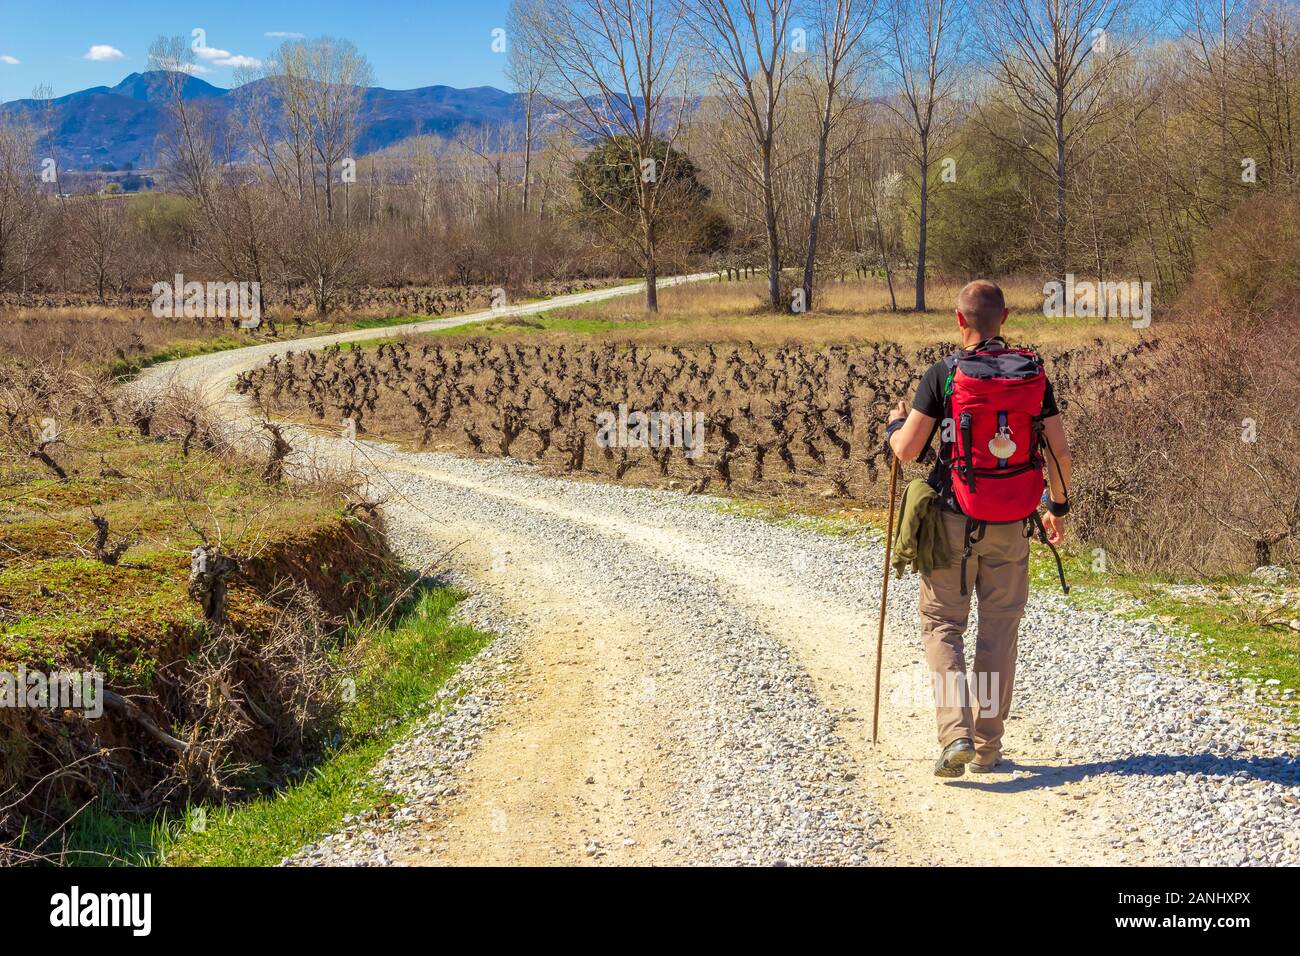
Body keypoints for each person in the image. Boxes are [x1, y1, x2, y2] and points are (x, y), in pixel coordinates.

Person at [885, 280, 1072, 777]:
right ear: (1004, 318)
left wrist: (892, 426)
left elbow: (907, 450)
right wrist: (1057, 505)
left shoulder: (943, 375)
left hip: (951, 516)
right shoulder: (1033, 375)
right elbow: (1059, 450)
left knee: (944, 624)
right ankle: (988, 748)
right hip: (1012, 521)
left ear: (958, 319)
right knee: (998, 631)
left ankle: (956, 736)